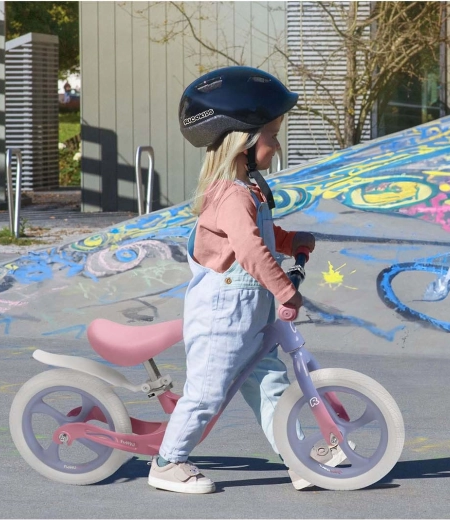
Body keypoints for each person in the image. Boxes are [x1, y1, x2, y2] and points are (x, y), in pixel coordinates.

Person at [147, 67, 345, 494]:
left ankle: (296, 457)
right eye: (272, 135)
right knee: (207, 392)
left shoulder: (249, 191)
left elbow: (260, 237)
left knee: (271, 385)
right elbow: (251, 251)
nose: (277, 145)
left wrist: (290, 241)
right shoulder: (232, 195)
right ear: (245, 143)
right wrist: (286, 291)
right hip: (222, 318)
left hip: (250, 317)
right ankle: (167, 462)